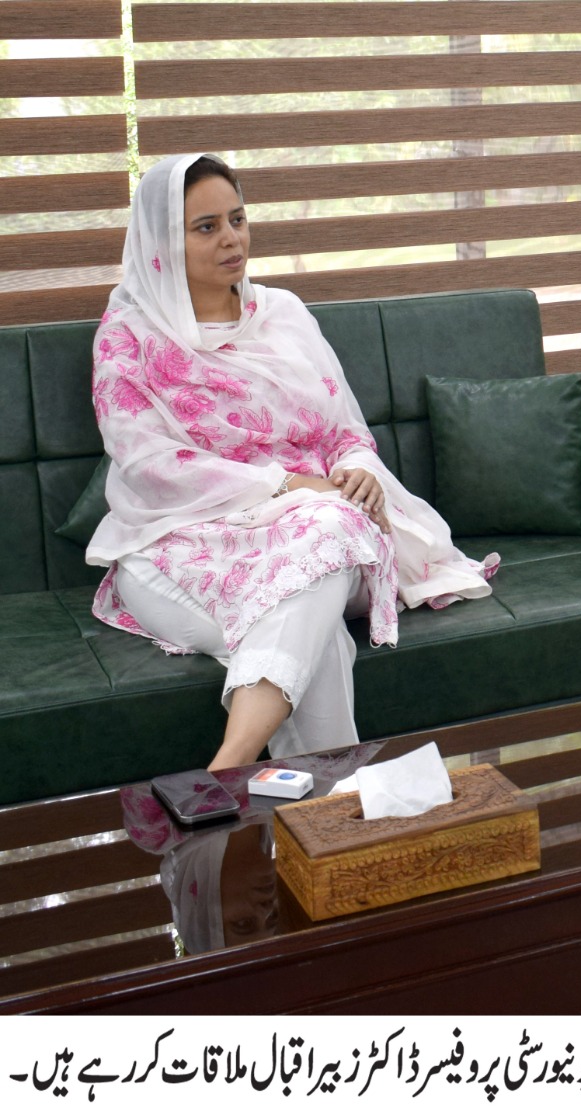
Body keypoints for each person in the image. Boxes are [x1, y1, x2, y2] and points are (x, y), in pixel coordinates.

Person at [86, 153, 499, 772]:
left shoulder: (283, 314)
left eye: (238, 219)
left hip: (317, 532)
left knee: (331, 528)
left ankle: (224, 772)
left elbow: (344, 430)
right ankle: (318, 806)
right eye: (206, 227)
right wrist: (288, 484)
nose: (232, 239)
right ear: (160, 243)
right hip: (178, 541)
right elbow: (147, 462)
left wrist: (357, 469)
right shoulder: (128, 337)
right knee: (319, 629)